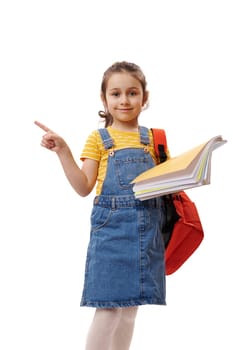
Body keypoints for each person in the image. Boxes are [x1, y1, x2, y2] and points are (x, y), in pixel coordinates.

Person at [35, 61, 168, 350]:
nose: (124, 100)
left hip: (147, 232)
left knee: (131, 309)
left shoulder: (155, 139)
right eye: (116, 93)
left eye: (132, 93)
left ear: (145, 98)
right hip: (111, 233)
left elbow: (165, 186)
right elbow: (83, 187)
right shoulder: (98, 139)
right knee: (107, 309)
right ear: (104, 99)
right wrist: (64, 152)